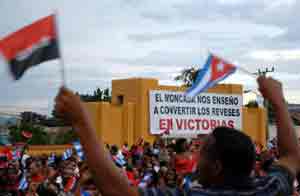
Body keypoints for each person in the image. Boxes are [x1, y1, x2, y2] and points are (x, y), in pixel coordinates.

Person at [54, 75, 300, 196]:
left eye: (201, 152)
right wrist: (278, 101)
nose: (195, 156)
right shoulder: (269, 189)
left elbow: (119, 192)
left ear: (215, 167)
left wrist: (81, 121)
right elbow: (292, 155)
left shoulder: (196, 195)